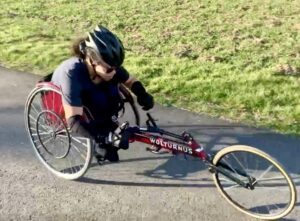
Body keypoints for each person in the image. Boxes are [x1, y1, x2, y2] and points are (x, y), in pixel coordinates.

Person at [51, 25, 154, 163]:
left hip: (94, 103)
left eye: (116, 67)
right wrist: (100, 141)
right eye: (109, 69)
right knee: (108, 144)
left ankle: (105, 125)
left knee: (115, 147)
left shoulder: (108, 65)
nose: (114, 71)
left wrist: (142, 94)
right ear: (92, 60)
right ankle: (101, 135)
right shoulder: (72, 73)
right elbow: (73, 121)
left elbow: (129, 80)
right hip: (71, 110)